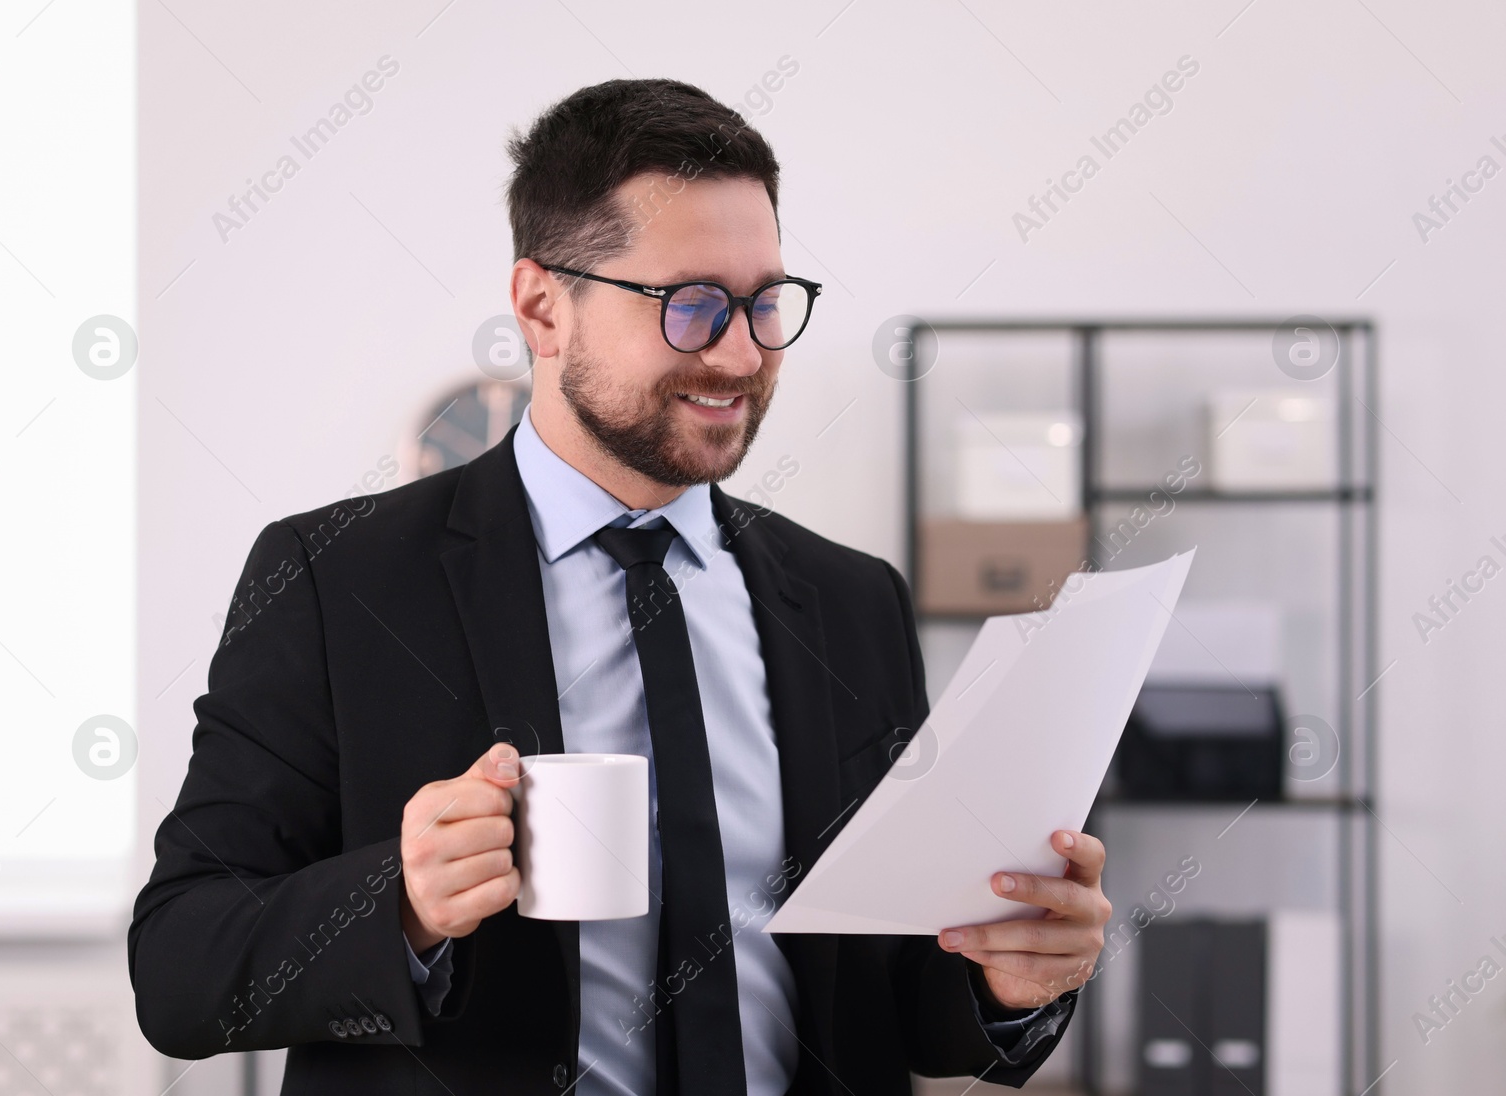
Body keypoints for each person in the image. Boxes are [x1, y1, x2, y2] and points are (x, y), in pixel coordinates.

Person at [128, 77, 1110, 1096]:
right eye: (690, 306)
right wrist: (402, 902)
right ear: (542, 307)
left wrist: (1009, 978)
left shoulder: (850, 600)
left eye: (765, 303)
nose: (741, 353)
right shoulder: (336, 581)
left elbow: (890, 994)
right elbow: (180, 969)